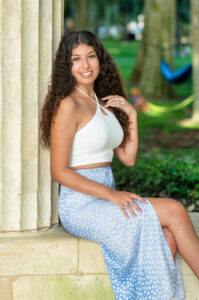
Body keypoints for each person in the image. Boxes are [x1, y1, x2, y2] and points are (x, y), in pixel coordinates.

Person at [40, 31, 199, 299]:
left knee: (167, 239)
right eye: (76, 59)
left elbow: (127, 157)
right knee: (175, 210)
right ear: (66, 66)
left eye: (90, 56)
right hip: (82, 204)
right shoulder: (69, 104)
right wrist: (111, 195)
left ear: (100, 59)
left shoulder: (102, 104)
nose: (85, 65)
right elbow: (59, 171)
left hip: (106, 198)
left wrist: (132, 116)